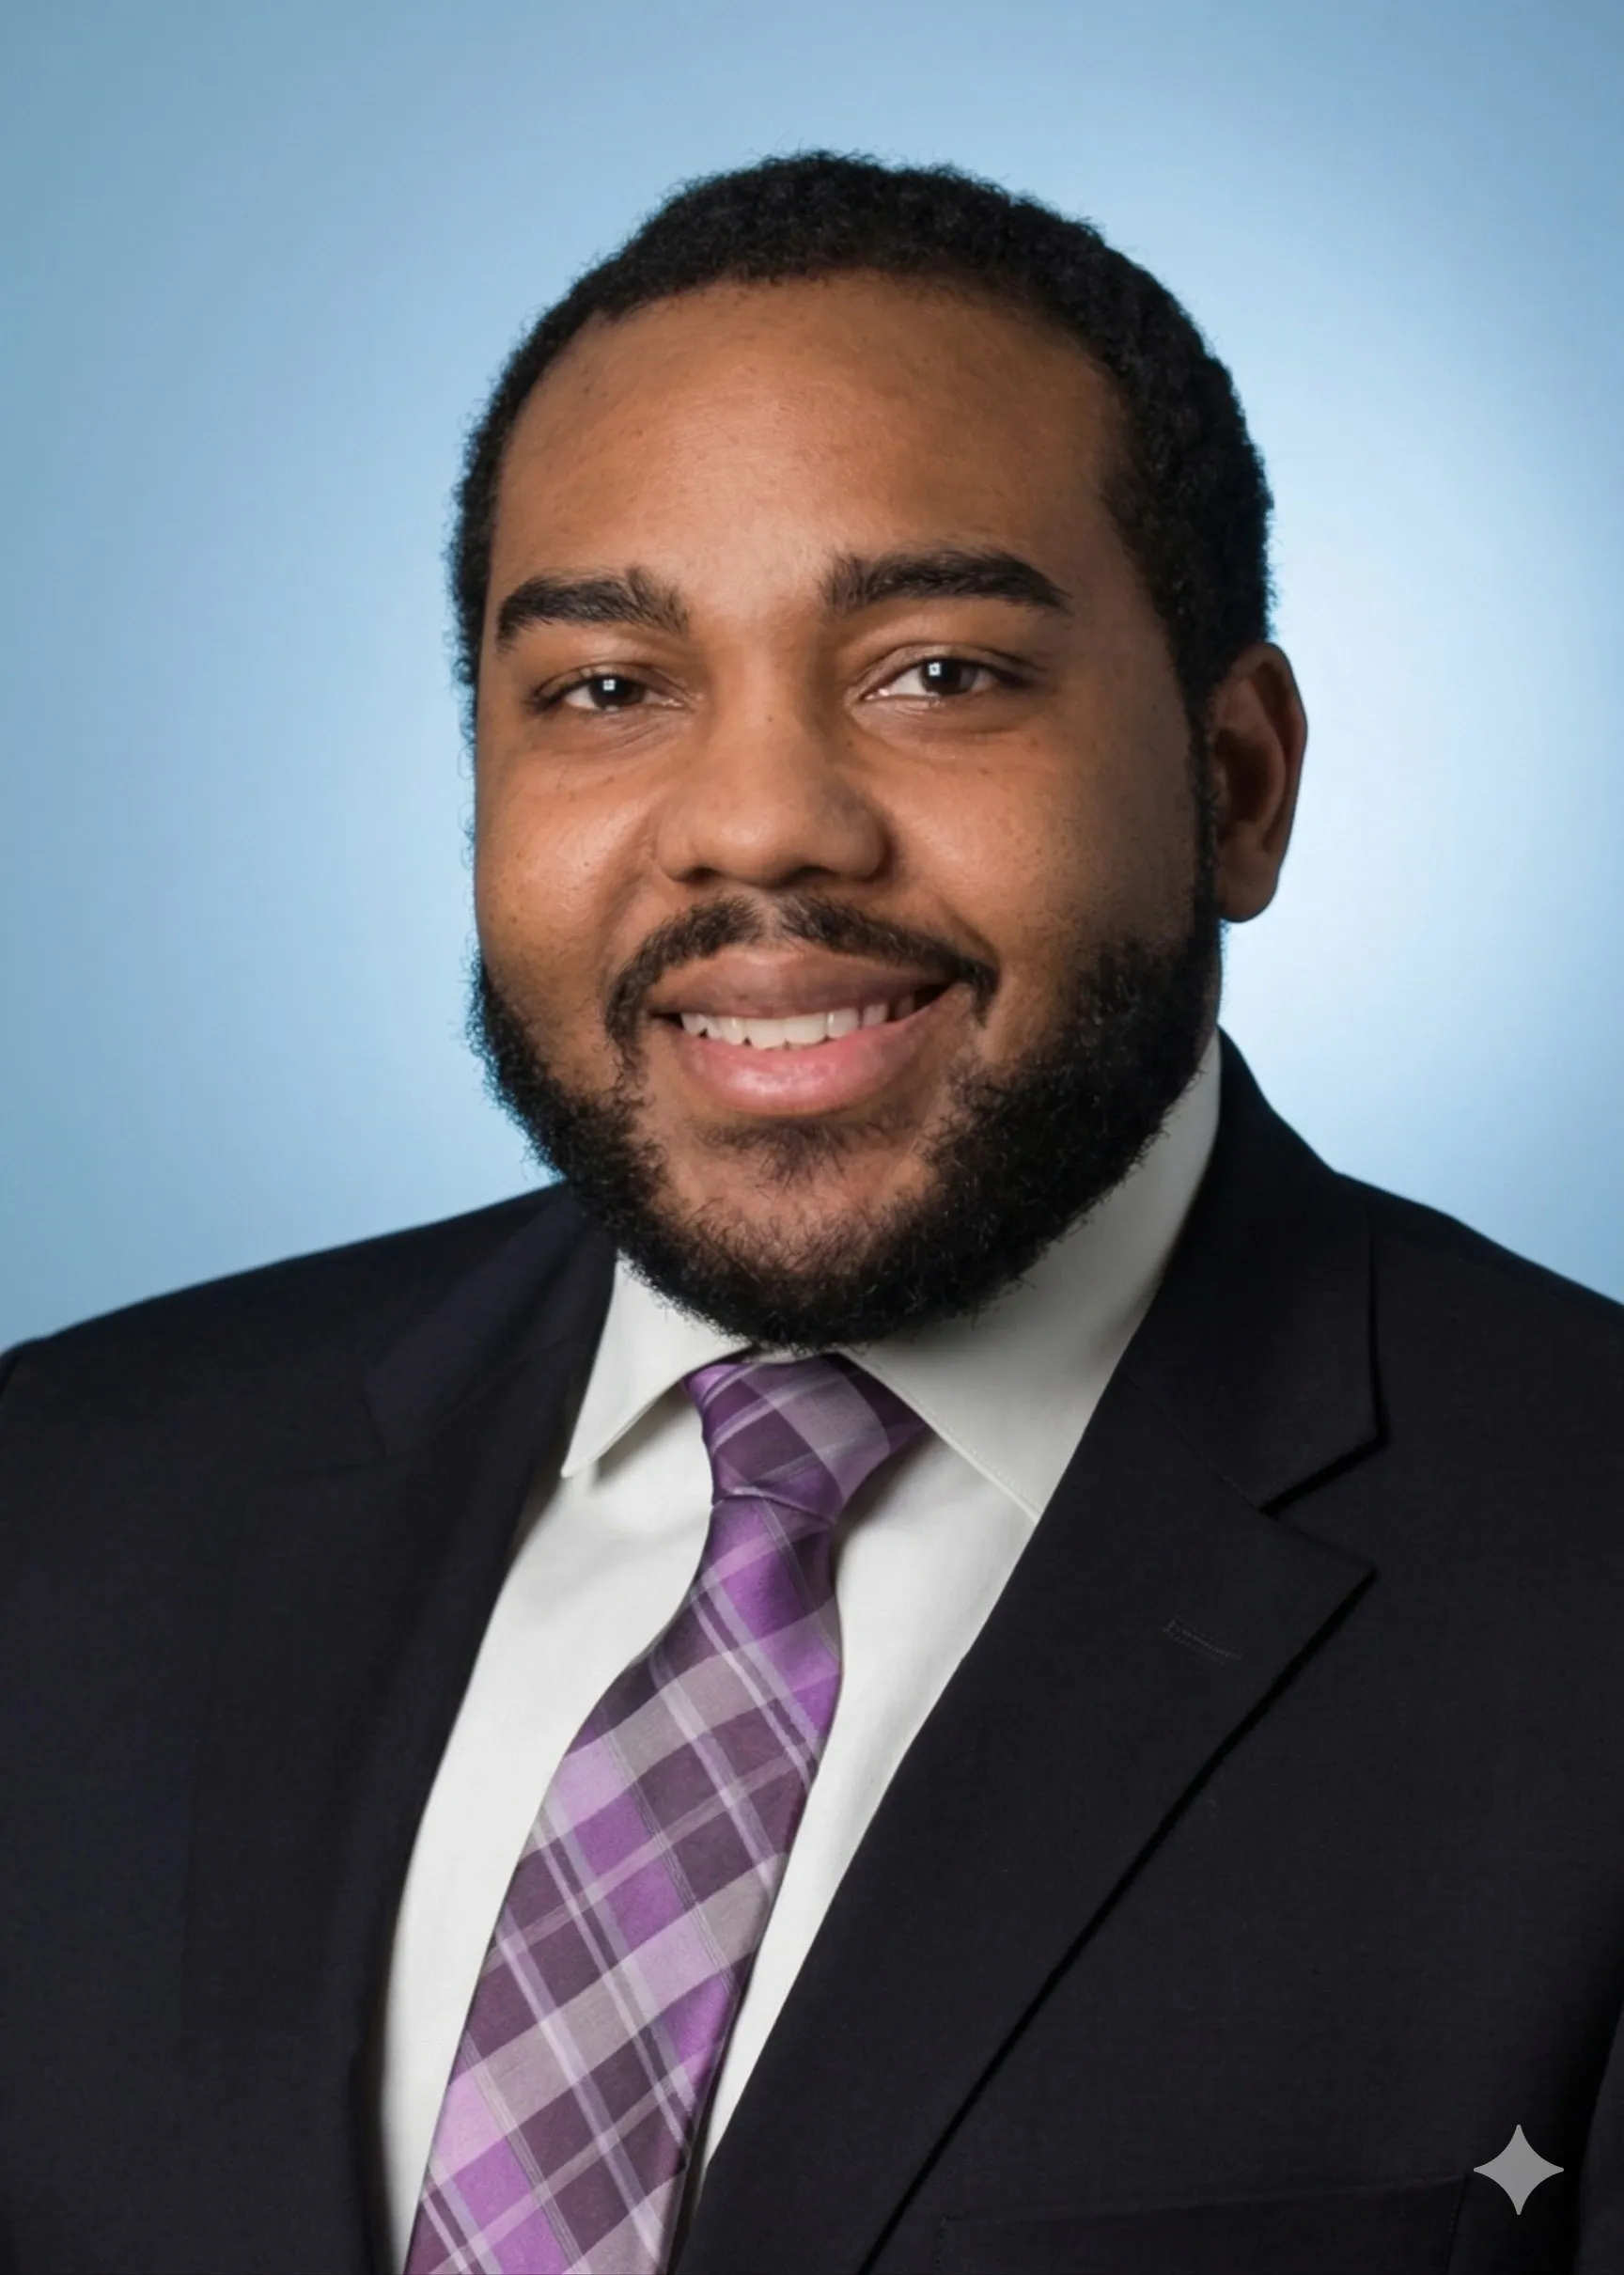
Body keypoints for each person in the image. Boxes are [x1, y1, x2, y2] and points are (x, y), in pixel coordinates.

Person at [3, 149, 1623, 2275]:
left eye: (938, 671)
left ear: (1237, 780)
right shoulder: (58, 1515)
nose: (760, 819)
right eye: (605, 688)